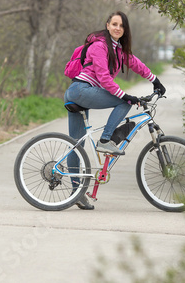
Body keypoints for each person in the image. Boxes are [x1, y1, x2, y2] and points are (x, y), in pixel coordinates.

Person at [64, 11, 166, 210]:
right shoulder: (99, 46)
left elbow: (136, 64)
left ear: (124, 29)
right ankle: (105, 140)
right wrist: (125, 95)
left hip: (79, 93)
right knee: (124, 103)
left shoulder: (118, 49)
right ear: (107, 25)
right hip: (80, 90)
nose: (118, 28)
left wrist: (155, 80)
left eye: (121, 25)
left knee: (77, 144)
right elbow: (103, 78)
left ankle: (76, 192)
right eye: (114, 24)